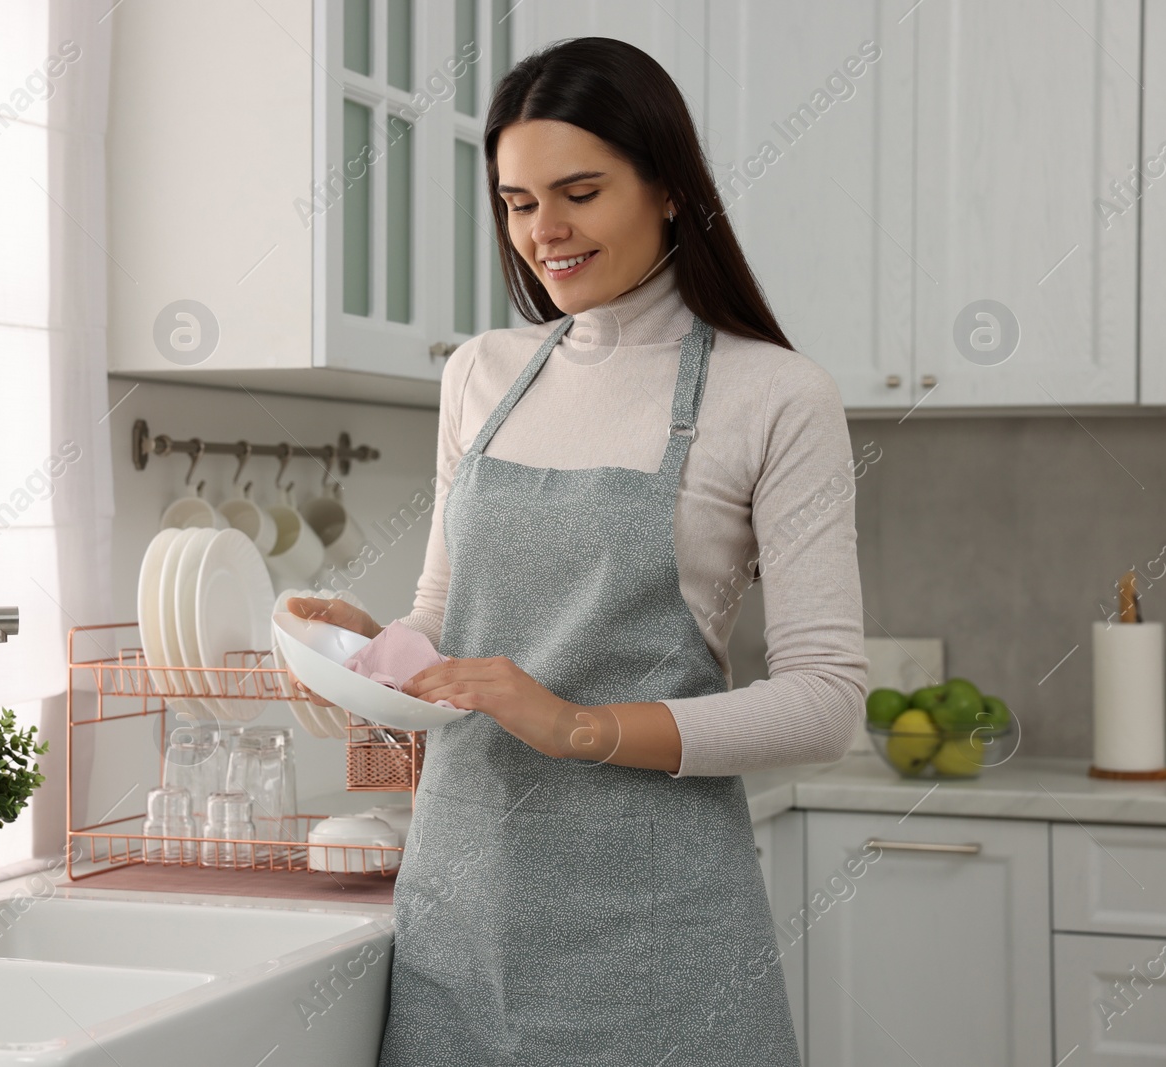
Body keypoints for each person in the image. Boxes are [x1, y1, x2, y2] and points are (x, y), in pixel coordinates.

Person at [286, 35, 866, 1067]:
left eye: (579, 191)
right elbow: (447, 610)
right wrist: (379, 654)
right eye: (516, 202)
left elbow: (826, 699)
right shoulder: (480, 374)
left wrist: (574, 724)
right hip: (462, 913)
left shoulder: (775, 395)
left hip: (657, 928)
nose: (542, 232)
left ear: (670, 190)